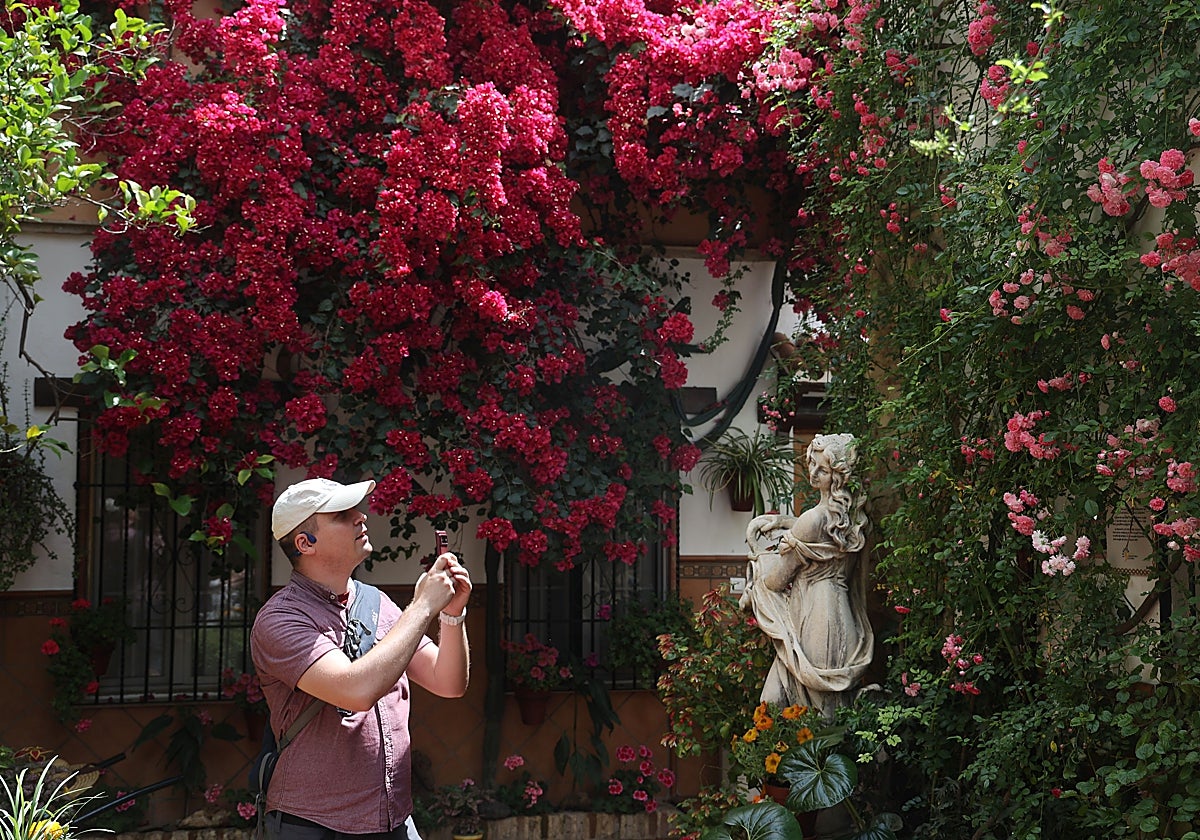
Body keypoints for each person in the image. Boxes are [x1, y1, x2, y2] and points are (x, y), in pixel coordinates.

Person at [252, 477, 471, 840]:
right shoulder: (280, 620)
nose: (361, 518)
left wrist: (451, 614)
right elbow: (355, 691)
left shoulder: (378, 603)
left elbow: (448, 683)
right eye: (342, 515)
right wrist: (422, 606)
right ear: (305, 543)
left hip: (394, 821)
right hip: (314, 826)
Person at [740, 433, 872, 719]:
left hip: (812, 620)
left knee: (775, 708)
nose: (813, 472)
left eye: (822, 469)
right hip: (843, 618)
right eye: (812, 463)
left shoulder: (813, 519)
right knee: (827, 717)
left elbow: (775, 581)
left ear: (837, 475)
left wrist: (757, 565)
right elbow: (817, 533)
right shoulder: (854, 518)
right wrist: (784, 523)